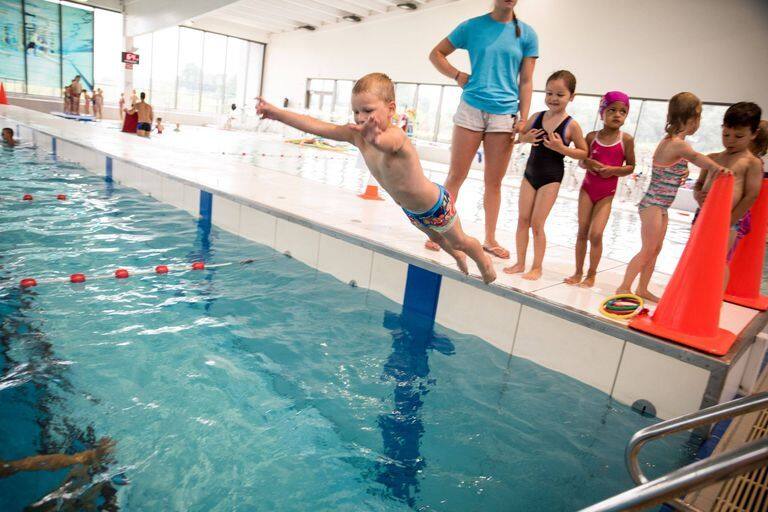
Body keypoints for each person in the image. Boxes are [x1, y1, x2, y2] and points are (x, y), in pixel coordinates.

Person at [256, 73, 496, 283]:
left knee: (459, 240)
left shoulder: (396, 136)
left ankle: (483, 262)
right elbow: (317, 126)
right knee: (436, 238)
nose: (361, 117)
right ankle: (456, 256)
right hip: (411, 210)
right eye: (356, 111)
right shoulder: (358, 136)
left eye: (368, 111)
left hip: (435, 205)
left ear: (390, 109)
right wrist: (276, 113)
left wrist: (375, 139)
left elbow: (387, 144)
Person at [425, 0, 538, 259]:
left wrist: (523, 117)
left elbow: (527, 81)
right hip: (471, 108)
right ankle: (440, 232)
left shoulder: (528, 34)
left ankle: (490, 239)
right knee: (456, 175)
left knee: (494, 183)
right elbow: (436, 54)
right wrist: (456, 75)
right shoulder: (472, 27)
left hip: (504, 114)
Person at [616, 92, 728, 301]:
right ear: (692, 118)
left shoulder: (671, 142)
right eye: (699, 117)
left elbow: (671, 168)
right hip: (652, 204)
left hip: (661, 207)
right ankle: (623, 287)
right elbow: (696, 157)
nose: (699, 123)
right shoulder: (677, 143)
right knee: (648, 249)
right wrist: (717, 168)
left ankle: (642, 289)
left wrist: (682, 172)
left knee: (656, 249)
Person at [504, 70, 588, 280]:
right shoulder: (537, 117)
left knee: (537, 223)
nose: (553, 98)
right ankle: (520, 263)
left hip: (551, 177)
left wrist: (562, 149)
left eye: (560, 95)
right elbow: (520, 138)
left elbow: (583, 152)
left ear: (571, 97)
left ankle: (537, 267)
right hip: (530, 174)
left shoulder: (571, 125)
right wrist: (526, 138)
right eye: (549, 93)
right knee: (522, 220)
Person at [565, 91, 636, 287]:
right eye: (612, 110)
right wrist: (590, 164)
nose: (617, 115)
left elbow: (631, 167)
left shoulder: (626, 140)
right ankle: (578, 272)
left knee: (596, 234)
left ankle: (592, 274)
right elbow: (581, 161)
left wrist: (612, 170)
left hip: (606, 193)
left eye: (623, 111)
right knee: (582, 231)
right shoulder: (591, 137)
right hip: (587, 189)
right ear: (602, 112)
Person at [693, 102, 764, 269]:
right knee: (695, 256)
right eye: (726, 134)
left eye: (738, 136)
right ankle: (691, 294)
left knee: (719, 262)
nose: (730, 140)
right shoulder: (712, 158)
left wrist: (730, 220)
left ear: (754, 134)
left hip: (729, 220)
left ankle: (714, 296)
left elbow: (751, 195)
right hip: (703, 215)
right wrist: (697, 194)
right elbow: (699, 183)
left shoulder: (752, 163)